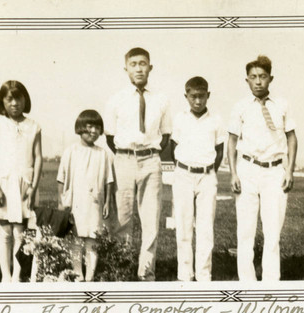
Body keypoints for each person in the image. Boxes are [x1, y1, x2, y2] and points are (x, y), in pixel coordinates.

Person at [227, 55, 298, 281]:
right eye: (253, 77)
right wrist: (233, 173)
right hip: (247, 169)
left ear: (271, 78)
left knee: (272, 232)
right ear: (246, 80)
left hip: (275, 172)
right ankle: (247, 283)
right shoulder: (240, 107)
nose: (258, 82)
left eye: (263, 77)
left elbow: (292, 138)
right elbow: (231, 141)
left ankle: (270, 283)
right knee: (245, 231)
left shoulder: (282, 105)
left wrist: (289, 171)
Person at [104, 47, 171, 281]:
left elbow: (167, 135)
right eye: (133, 64)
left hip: (151, 160)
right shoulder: (116, 100)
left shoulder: (161, 99)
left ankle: (146, 272)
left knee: (151, 219)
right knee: (122, 219)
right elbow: (110, 138)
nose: (139, 68)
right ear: (126, 69)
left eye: (143, 63)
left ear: (150, 67)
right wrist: (128, 154)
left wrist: (147, 154)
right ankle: (121, 269)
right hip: (123, 159)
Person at [0, 80, 43, 282]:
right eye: (9, 99)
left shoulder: (33, 126)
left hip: (24, 184)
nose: (14, 103)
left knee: (20, 231)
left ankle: (18, 276)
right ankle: (5, 275)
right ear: (2, 101)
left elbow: (38, 158)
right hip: (3, 182)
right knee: (5, 230)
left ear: (25, 99)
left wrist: (33, 187)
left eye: (18, 98)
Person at [170, 76, 225, 281]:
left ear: (208, 95)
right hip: (183, 174)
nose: (198, 101)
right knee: (183, 225)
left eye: (202, 96)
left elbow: (219, 151)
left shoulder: (216, 120)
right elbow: (174, 146)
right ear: (186, 96)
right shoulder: (179, 118)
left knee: (205, 227)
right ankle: (185, 274)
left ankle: (204, 274)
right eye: (193, 97)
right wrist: (185, 167)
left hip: (207, 176)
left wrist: (209, 170)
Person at [57, 109, 114, 282]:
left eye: (97, 128)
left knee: (92, 239)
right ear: (80, 127)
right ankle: (78, 274)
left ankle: (90, 276)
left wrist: (107, 202)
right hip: (75, 202)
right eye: (89, 126)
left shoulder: (103, 153)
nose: (93, 131)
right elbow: (61, 178)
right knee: (76, 239)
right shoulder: (71, 151)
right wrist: (61, 200)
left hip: (95, 202)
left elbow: (108, 180)